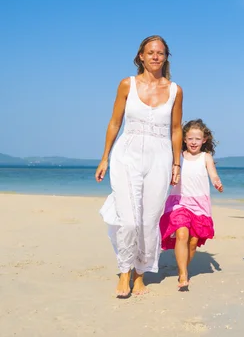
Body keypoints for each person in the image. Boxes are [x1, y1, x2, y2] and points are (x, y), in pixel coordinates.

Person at [95, 35, 183, 298]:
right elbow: (114, 122)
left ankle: (140, 273)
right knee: (130, 219)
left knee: (149, 220)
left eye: (160, 53)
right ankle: (124, 273)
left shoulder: (176, 90)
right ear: (140, 57)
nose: (155, 56)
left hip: (160, 156)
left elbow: (177, 129)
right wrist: (104, 157)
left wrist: (177, 163)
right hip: (127, 153)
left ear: (166, 57)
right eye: (150, 52)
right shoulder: (127, 84)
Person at [159, 119, 223, 291]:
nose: (194, 142)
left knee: (193, 242)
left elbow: (213, 174)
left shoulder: (205, 157)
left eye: (197, 139)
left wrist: (217, 183)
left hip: (199, 205)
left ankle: (183, 267)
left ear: (204, 140)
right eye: (190, 138)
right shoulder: (178, 157)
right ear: (184, 140)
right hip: (179, 202)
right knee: (181, 234)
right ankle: (183, 274)